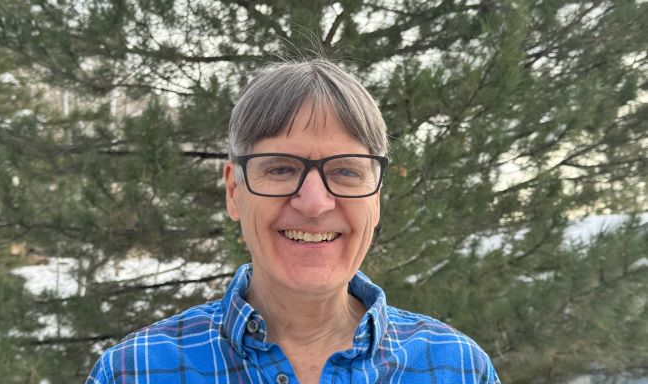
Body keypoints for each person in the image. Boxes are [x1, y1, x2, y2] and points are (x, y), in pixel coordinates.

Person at [86, 58, 500, 384]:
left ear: (376, 196)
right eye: (281, 169)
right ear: (234, 191)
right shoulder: (134, 372)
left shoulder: (457, 368)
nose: (315, 203)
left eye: (346, 171)